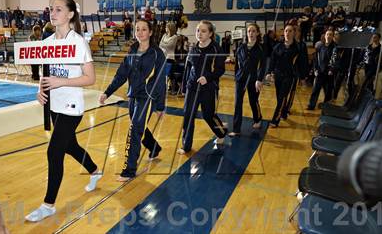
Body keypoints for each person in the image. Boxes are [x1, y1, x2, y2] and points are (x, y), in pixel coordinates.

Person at [25, 0, 101, 222]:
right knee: (70, 146)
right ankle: (95, 170)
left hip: (72, 107)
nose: (53, 12)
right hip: (53, 106)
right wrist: (41, 90)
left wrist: (62, 82)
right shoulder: (46, 43)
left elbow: (90, 78)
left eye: (59, 9)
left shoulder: (78, 42)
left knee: (54, 151)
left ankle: (48, 205)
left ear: (70, 14)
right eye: (52, 9)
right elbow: (45, 74)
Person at [100, 19, 166, 181]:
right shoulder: (132, 50)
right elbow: (121, 74)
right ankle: (154, 147)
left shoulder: (157, 54)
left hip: (147, 98)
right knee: (138, 127)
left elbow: (161, 81)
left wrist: (160, 106)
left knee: (134, 130)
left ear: (150, 32)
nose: (140, 32)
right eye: (137, 29)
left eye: (144, 29)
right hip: (133, 96)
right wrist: (107, 92)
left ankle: (129, 170)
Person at [178, 20, 227, 154]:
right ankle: (186, 146)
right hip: (192, 87)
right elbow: (188, 68)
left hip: (208, 88)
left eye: (203, 31)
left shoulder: (216, 49)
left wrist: (208, 78)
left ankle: (222, 132)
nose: (199, 33)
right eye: (198, 30)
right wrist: (184, 86)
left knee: (208, 115)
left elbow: (220, 69)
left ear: (210, 33)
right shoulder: (193, 48)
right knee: (188, 115)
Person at [229, 23, 265, 137]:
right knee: (237, 103)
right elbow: (237, 64)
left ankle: (258, 118)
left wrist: (259, 79)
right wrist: (236, 76)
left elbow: (263, 65)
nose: (251, 33)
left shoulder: (260, 48)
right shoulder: (241, 47)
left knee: (253, 101)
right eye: (249, 31)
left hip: (253, 79)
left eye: (253, 31)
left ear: (257, 33)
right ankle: (236, 129)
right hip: (241, 79)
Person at [265, 24, 303, 127]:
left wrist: (303, 77)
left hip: (289, 76)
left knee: (282, 97)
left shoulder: (298, 48)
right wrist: (269, 72)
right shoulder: (278, 46)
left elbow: (302, 62)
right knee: (280, 97)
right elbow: (272, 61)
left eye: (290, 31)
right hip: (278, 75)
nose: (288, 33)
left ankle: (275, 120)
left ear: (294, 33)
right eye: (286, 31)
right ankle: (284, 112)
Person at [307, 29, 336, 110]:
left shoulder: (334, 47)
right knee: (315, 90)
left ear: (333, 37)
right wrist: (315, 69)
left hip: (329, 73)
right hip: (319, 72)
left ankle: (326, 107)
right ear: (325, 35)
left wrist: (331, 70)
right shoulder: (320, 46)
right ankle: (311, 105)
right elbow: (315, 59)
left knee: (328, 92)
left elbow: (335, 60)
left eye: (330, 35)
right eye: (327, 34)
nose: (329, 36)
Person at [287, 24, 309, 114]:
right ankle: (283, 107)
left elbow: (303, 61)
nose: (296, 33)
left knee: (291, 92)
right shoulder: (285, 43)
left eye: (298, 31)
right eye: (294, 31)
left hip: (295, 73)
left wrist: (303, 77)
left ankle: (287, 108)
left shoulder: (302, 45)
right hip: (284, 72)